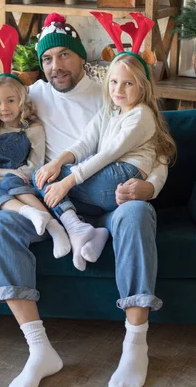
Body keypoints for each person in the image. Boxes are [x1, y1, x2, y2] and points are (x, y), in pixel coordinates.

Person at [0, 13, 170, 387]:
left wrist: (152, 186)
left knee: (136, 214)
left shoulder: (110, 90)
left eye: (64, 55)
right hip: (55, 201)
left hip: (108, 196)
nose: (56, 66)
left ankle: (135, 346)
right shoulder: (30, 96)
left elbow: (158, 148)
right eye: (48, 59)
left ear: (82, 57)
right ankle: (39, 350)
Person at [32, 52, 176, 271]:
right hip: (109, 186)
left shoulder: (140, 115)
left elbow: (107, 153)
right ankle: (94, 233)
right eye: (114, 82)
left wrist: (67, 180)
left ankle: (74, 228)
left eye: (128, 83)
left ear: (143, 87)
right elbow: (84, 145)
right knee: (47, 181)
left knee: (39, 178)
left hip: (123, 176)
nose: (118, 90)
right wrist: (57, 162)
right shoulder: (110, 111)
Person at [0, 76, 71, 258]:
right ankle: (32, 213)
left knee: (10, 180)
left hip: (24, 186)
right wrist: (6, 174)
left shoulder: (33, 129)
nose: (4, 108)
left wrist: (9, 177)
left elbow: (35, 166)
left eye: (10, 101)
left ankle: (53, 227)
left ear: (21, 101)